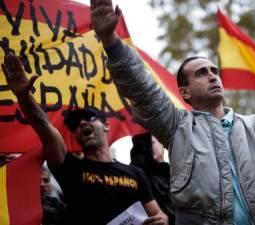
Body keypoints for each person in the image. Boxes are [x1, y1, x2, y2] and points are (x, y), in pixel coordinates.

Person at [90, 1, 255, 224]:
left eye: (214, 71)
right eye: (201, 73)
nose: (212, 76)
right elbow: (143, 90)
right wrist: (111, 41)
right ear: (184, 92)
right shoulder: (177, 127)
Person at [1, 54, 168, 225]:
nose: (81, 123)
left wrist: (161, 220)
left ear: (106, 125)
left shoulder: (136, 173)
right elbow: (45, 128)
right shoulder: (70, 169)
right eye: (74, 124)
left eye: (89, 117)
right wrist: (24, 96)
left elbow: (158, 213)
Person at [130, 134, 175, 225]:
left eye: (153, 142)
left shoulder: (171, 171)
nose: (148, 147)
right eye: (150, 143)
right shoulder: (140, 175)